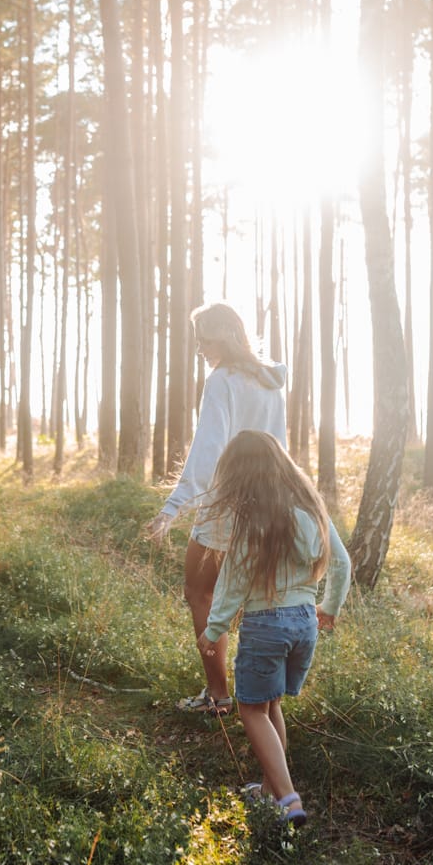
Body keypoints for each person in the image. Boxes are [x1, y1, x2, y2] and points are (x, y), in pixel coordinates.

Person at [196, 429, 351, 827]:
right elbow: (342, 563)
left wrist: (213, 630)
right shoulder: (312, 508)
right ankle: (269, 790)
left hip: (267, 624)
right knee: (272, 703)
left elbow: (234, 579)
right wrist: (329, 607)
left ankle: (288, 798)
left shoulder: (255, 518)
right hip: (305, 622)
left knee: (251, 709)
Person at [146, 302, 287, 716]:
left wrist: (172, 509)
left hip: (227, 502)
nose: (200, 349)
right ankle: (261, 699)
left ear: (224, 336)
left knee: (200, 592)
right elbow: (278, 444)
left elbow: (209, 450)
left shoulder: (221, 380)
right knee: (255, 599)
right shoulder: (270, 380)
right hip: (269, 501)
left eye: (203, 339)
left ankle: (219, 694)